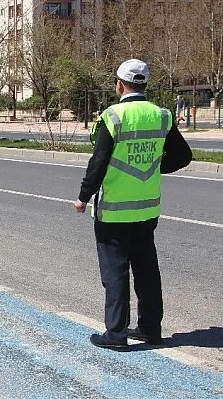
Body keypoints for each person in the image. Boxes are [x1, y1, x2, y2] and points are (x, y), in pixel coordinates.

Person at [74, 59, 192, 351]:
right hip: (146, 210)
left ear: (119, 84)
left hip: (114, 210)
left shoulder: (113, 117)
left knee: (115, 272)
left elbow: (98, 162)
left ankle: (116, 334)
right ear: (144, 85)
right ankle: (150, 329)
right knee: (147, 270)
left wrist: (83, 196)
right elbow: (183, 156)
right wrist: (153, 168)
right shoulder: (161, 116)